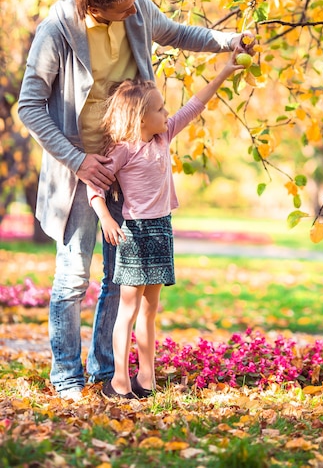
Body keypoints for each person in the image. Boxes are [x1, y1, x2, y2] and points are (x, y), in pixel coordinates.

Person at [17, 0, 254, 402]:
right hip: (78, 170)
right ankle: (66, 377)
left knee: (116, 278)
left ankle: (107, 374)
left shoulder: (137, 8)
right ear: (97, 7)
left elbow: (179, 33)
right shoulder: (57, 32)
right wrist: (77, 160)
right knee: (71, 278)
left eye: (134, 3)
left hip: (126, 167)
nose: (135, 12)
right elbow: (29, 106)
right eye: (124, 8)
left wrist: (229, 40)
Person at [87, 52, 244, 401]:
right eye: (159, 109)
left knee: (150, 308)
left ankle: (147, 378)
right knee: (127, 309)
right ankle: (118, 381)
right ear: (141, 118)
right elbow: (94, 186)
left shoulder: (164, 136)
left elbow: (195, 105)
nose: (166, 114)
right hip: (135, 234)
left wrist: (224, 73)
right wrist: (107, 218)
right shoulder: (124, 150)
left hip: (161, 230)